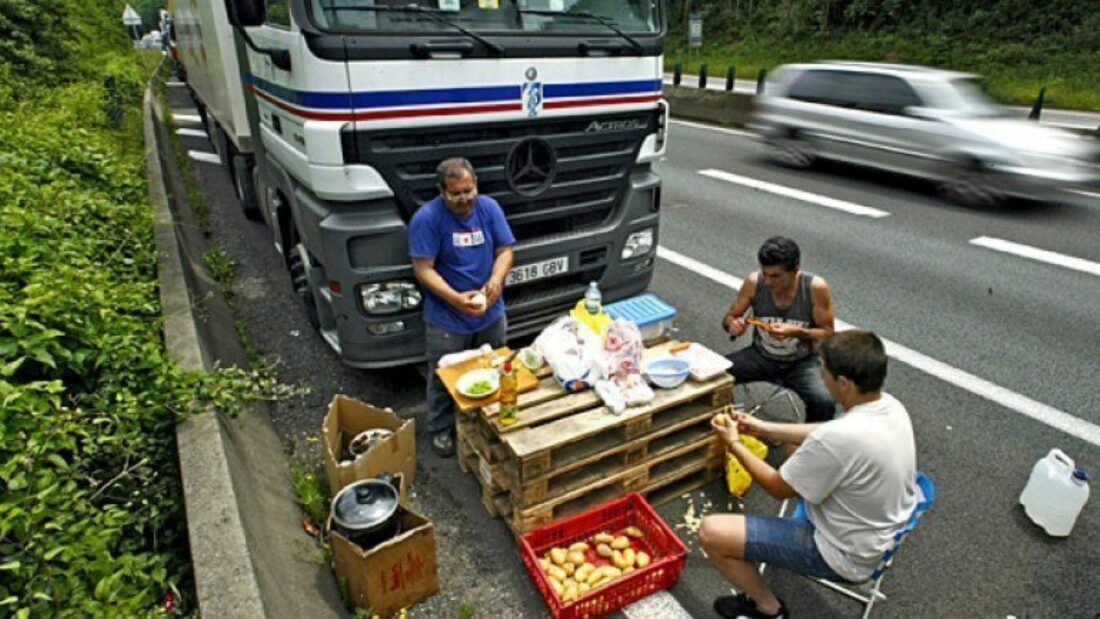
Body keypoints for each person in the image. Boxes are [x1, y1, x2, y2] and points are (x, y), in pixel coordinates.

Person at [698, 330, 918, 619]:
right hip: (877, 534)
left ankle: (768, 608)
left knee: (711, 533)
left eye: (822, 371)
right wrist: (763, 428)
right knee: (794, 443)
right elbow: (823, 433)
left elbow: (777, 487)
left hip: (841, 553)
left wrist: (734, 442)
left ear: (844, 383)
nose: (820, 376)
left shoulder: (840, 439)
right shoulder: (889, 406)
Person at [409, 158, 515, 457]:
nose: (464, 198)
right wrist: (456, 298)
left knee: (494, 368)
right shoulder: (427, 219)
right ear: (442, 192)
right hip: (446, 316)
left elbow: (505, 251)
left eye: (469, 190)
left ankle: (489, 423)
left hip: (491, 311)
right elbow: (423, 269)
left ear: (476, 184)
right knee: (445, 375)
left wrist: (495, 280)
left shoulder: (489, 208)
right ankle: (440, 429)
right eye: (456, 193)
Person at [723, 236, 837, 423]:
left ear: (795, 270)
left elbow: (828, 335)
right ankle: (723, 427)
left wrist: (797, 332)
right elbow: (730, 317)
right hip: (761, 356)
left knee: (824, 401)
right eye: (765, 274)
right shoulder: (754, 282)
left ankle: (808, 444)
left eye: (775, 276)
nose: (768, 282)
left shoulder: (815, 288)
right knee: (714, 377)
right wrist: (733, 325)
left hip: (802, 361)